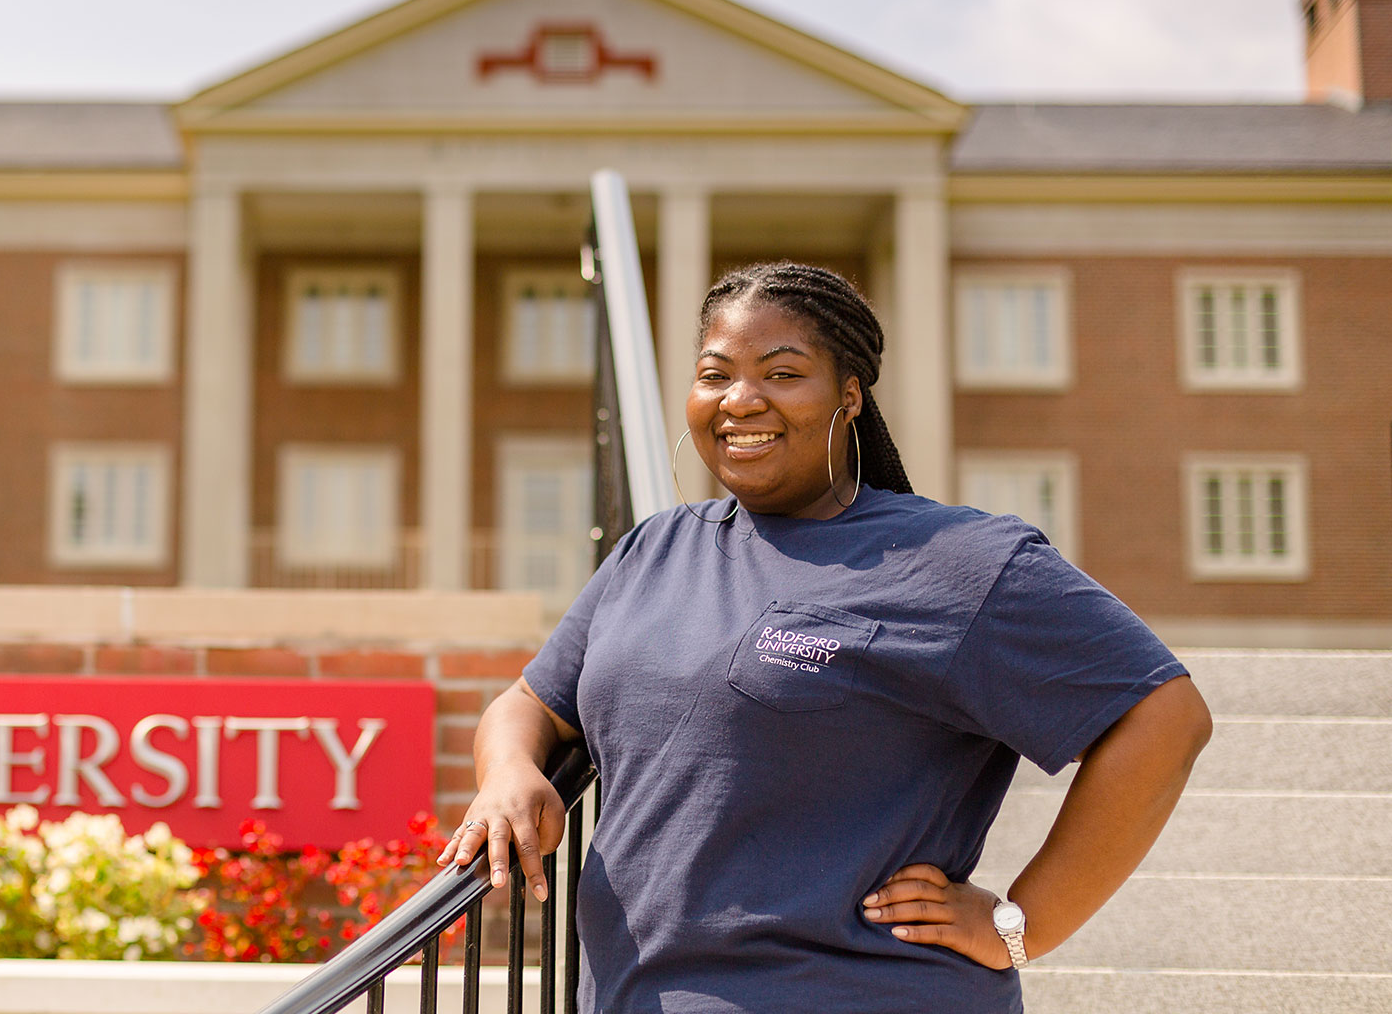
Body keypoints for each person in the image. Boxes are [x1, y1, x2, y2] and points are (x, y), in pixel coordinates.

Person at [439, 262, 1212, 1013]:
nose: (741, 400)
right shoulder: (656, 549)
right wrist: (508, 771)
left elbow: (1163, 719)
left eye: (781, 374)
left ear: (848, 398)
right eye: (715, 374)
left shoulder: (955, 561)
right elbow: (532, 701)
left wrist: (1023, 923)